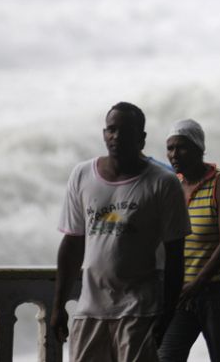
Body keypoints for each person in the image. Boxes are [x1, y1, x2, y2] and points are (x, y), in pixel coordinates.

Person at [50, 102, 191, 362]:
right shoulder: (82, 175)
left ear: (142, 138)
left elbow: (175, 255)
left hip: (139, 311)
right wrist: (58, 306)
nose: (116, 137)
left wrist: (167, 313)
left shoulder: (163, 183)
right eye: (111, 130)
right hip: (89, 310)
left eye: (125, 131)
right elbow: (71, 244)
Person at [158, 119, 220, 362]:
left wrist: (197, 283)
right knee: (166, 356)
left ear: (199, 148)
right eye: (170, 148)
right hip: (182, 296)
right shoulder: (172, 185)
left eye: (182, 147)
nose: (174, 154)